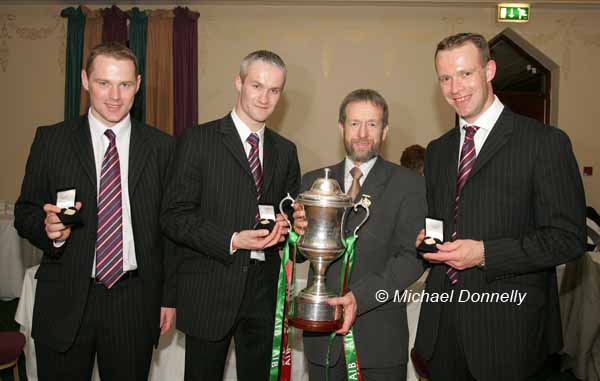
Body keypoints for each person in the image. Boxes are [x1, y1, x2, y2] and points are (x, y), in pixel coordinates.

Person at [412, 32, 586, 381]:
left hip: (510, 333)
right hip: (442, 331)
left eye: (465, 74)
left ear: (489, 70)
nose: (455, 87)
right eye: (445, 77)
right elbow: (444, 222)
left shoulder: (544, 143)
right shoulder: (438, 151)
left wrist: (485, 254)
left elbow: (568, 238)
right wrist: (428, 243)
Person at [14, 42, 176, 380]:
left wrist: (169, 297)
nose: (115, 95)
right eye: (104, 83)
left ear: (139, 84)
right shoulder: (51, 141)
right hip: (65, 297)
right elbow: (25, 211)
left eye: (125, 84)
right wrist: (47, 229)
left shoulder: (163, 148)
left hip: (134, 300)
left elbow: (172, 231)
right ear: (86, 81)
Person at [160, 50, 300, 380]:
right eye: (257, 86)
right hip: (210, 289)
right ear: (238, 83)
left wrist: (290, 226)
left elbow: (289, 214)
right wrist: (232, 239)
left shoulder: (285, 150)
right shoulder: (197, 140)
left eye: (275, 90)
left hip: (264, 295)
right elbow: (173, 216)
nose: (265, 97)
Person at [293, 89, 426, 380]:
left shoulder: (408, 185)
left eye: (372, 124)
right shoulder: (312, 181)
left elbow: (413, 258)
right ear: (341, 127)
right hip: (322, 338)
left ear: (385, 131)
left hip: (380, 342)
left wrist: (359, 298)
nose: (363, 133)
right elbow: (299, 254)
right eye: (354, 124)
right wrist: (295, 234)